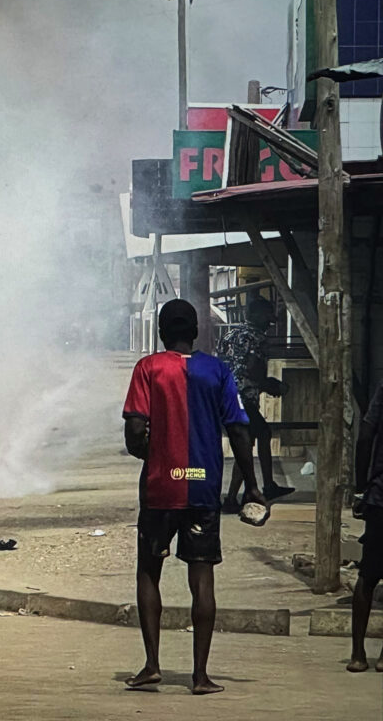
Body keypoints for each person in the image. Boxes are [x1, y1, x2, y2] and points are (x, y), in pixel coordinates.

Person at [122, 298, 266, 695]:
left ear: (162, 333)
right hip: (203, 486)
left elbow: (135, 431)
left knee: (149, 571)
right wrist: (252, 486)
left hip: (160, 487)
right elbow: (239, 430)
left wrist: (150, 454)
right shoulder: (218, 371)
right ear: (196, 332)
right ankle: (200, 676)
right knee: (202, 578)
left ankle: (152, 665)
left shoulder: (148, 368)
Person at [217, 296, 294, 511]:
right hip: (244, 398)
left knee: (258, 436)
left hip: (223, 396)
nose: (271, 322)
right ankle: (235, 497)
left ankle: (262, 487)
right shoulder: (257, 338)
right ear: (258, 316)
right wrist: (272, 386)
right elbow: (253, 369)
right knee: (249, 442)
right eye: (268, 316)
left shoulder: (229, 334)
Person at [349, 380, 383, 673]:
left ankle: (358, 653)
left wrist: (361, 486)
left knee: (368, 575)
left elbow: (365, 435)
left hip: (380, 496)